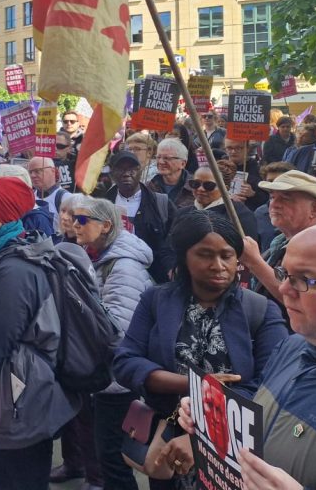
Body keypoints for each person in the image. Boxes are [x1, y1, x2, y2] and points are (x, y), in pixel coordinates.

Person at [113, 209, 288, 489]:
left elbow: (271, 386)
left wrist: (201, 438)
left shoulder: (260, 310)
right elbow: (125, 362)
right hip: (166, 442)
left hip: (233, 453)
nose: (218, 265)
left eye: (227, 255)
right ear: (184, 256)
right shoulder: (156, 300)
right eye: (205, 254)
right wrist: (195, 384)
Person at [175, 224, 316, 489]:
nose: (284, 289)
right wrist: (214, 416)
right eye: (284, 274)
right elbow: (264, 419)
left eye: (303, 279)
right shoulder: (292, 347)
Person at [0, 177, 83, 490]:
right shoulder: (9, 256)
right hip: (18, 398)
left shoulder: (13, 270)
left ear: (6, 216)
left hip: (16, 405)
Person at [71, 196, 154, 490]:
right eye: (73, 217)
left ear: (106, 225)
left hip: (118, 379)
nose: (74, 224)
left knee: (113, 459)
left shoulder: (123, 268)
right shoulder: (101, 257)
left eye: (82, 220)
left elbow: (119, 329)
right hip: (107, 374)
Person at [239, 170, 316, 304]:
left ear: (315, 209)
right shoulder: (278, 244)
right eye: (272, 197)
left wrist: (254, 262)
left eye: (286, 198)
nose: (274, 204)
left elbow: (301, 299)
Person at [101, 150, 176, 283]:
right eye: (121, 169)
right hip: (113, 277)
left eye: (132, 169)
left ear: (140, 171)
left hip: (155, 278)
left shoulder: (160, 203)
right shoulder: (103, 204)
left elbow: (174, 238)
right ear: (112, 173)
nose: (126, 174)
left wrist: (171, 266)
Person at [189, 163, 258, 244]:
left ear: (225, 188)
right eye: (195, 184)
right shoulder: (184, 212)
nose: (200, 189)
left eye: (209, 185)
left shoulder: (240, 216)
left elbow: (247, 251)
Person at [251, 161, 295, 250]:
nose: (274, 185)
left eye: (279, 181)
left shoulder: (299, 211)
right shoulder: (260, 213)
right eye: (270, 181)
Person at [147, 137, 195, 208]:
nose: (161, 162)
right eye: (158, 157)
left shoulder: (196, 187)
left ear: (182, 164)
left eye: (167, 158)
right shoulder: (149, 186)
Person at [224, 138, 268, 211]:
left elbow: (267, 200)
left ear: (247, 149)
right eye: (229, 148)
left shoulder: (259, 170)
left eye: (238, 148)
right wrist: (228, 198)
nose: (233, 151)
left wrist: (253, 194)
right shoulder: (219, 167)